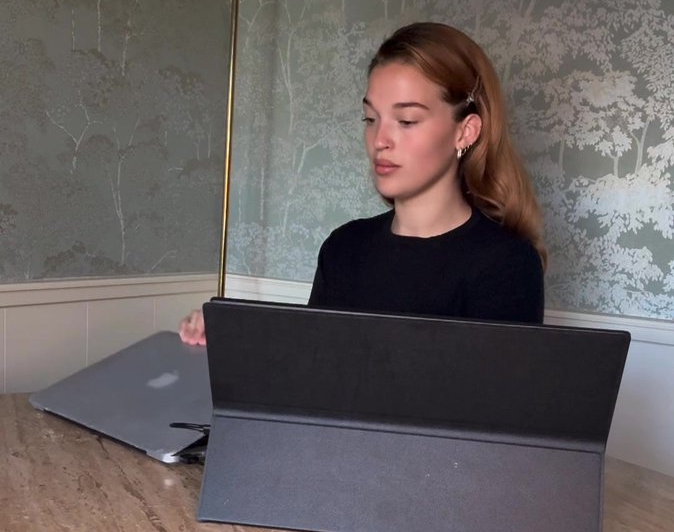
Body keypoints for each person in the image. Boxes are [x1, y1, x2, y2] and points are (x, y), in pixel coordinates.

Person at [179, 21, 544, 345]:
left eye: (406, 121)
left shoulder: (506, 265)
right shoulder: (344, 247)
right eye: (370, 119)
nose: (379, 140)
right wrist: (234, 337)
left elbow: (489, 399)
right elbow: (313, 370)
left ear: (466, 131)